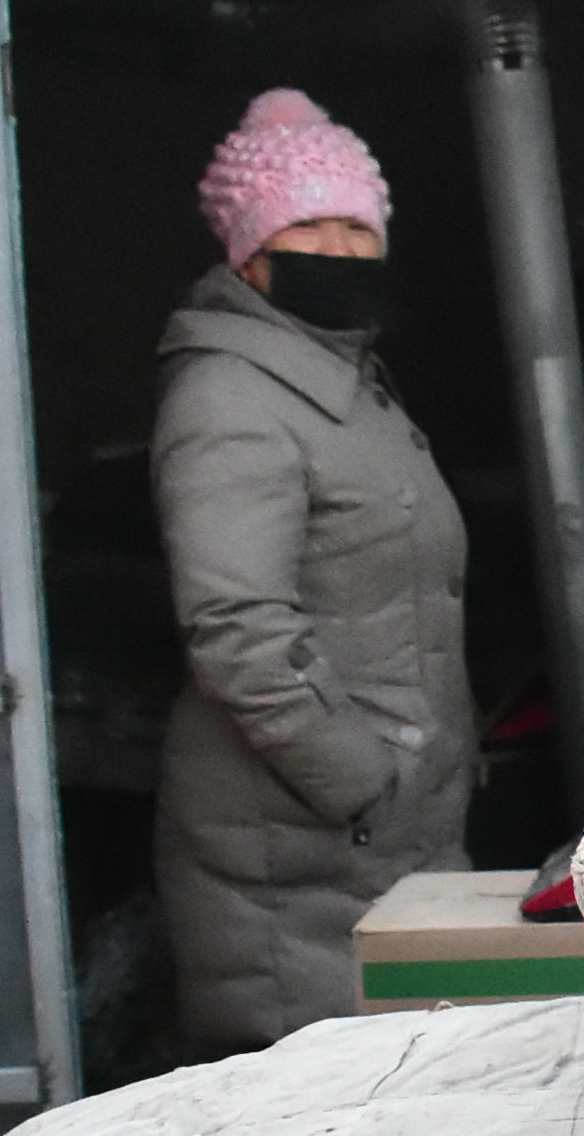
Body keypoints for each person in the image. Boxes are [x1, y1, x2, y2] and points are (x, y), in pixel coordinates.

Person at [151, 88, 480, 1050]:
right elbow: (238, 627)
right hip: (300, 862)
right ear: (246, 252)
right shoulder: (233, 395)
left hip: (370, 847)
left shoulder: (337, 379)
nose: (336, 251)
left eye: (354, 227)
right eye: (305, 227)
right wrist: (360, 781)